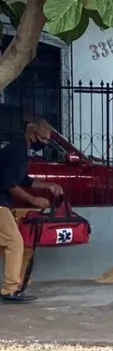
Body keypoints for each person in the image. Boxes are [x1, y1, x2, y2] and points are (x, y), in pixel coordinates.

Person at [0, 118, 63, 303]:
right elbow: (9, 184)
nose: (44, 144)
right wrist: (34, 200)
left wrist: (48, 185)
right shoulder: (16, 151)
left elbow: (24, 180)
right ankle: (9, 290)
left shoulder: (22, 151)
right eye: (43, 139)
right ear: (32, 134)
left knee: (21, 244)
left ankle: (16, 285)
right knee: (15, 242)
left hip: (4, 203)